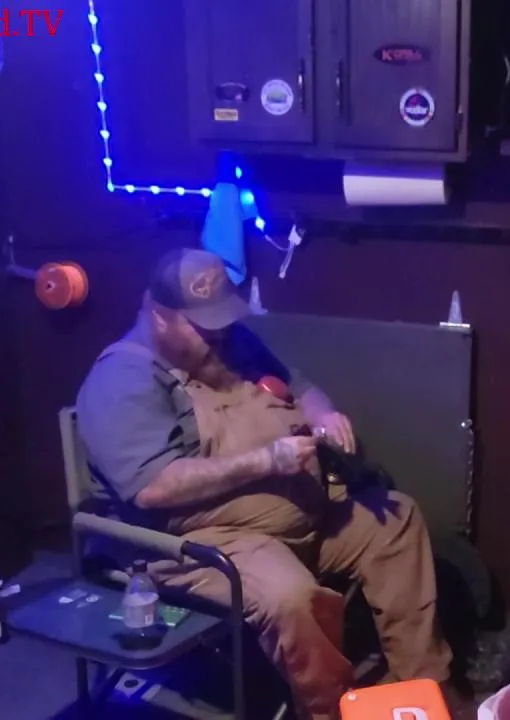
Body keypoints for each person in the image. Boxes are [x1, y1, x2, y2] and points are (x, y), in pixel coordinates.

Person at [75, 248, 463, 719]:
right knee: (291, 597)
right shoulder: (122, 380)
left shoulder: (230, 342)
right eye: (203, 327)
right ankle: (332, 711)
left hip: (299, 516)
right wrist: (266, 460)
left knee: (395, 522)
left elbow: (298, 386)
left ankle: (422, 693)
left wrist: (322, 415)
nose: (218, 334)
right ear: (160, 316)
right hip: (197, 543)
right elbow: (155, 487)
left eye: (222, 320)